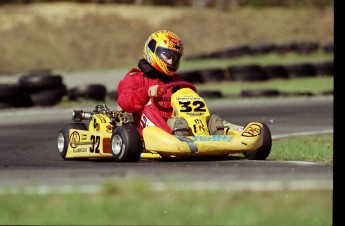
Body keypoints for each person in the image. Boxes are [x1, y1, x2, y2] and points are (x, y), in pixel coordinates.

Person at [116, 30, 187, 136]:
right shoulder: (135, 78)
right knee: (149, 109)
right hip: (141, 136)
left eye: (174, 57)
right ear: (152, 51)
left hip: (176, 127)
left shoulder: (178, 82)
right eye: (167, 56)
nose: (171, 62)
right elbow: (124, 102)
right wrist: (147, 93)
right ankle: (172, 138)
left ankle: (210, 132)